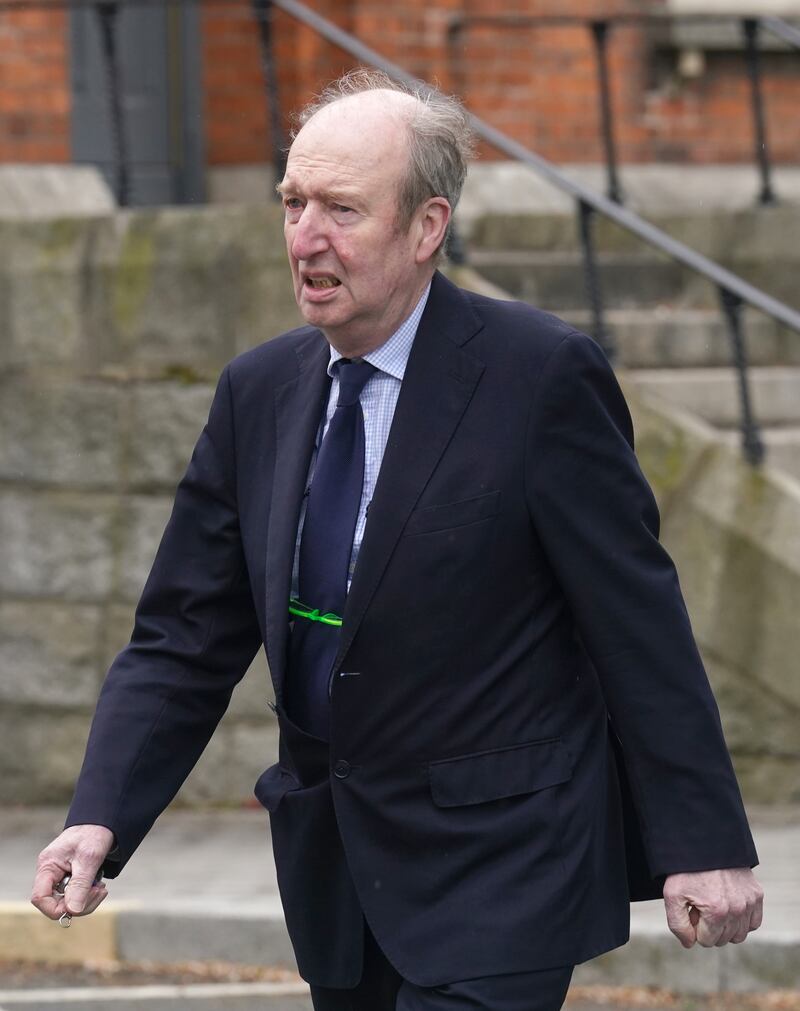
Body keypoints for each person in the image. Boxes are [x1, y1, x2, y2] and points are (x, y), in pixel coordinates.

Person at [32, 69, 763, 1011]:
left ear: (427, 228)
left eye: (342, 208)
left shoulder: (539, 379)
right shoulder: (258, 393)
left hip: (504, 863)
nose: (306, 238)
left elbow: (638, 623)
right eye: (293, 203)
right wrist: (101, 815)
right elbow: (184, 635)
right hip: (336, 869)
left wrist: (701, 843)